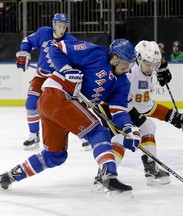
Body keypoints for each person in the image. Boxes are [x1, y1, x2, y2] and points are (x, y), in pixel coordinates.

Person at [0, 38, 141, 199]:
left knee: (55, 156)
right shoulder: (96, 53)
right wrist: (67, 70)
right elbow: (56, 47)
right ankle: (108, 175)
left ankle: (10, 176)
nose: (127, 69)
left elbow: (119, 112)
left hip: (56, 105)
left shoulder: (122, 83)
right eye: (126, 64)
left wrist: (131, 129)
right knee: (98, 132)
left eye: (131, 65)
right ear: (115, 58)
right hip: (57, 94)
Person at [94, 40, 183, 186]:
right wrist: (171, 116)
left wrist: (161, 66)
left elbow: (147, 57)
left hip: (124, 104)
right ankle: (103, 177)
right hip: (110, 106)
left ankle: (150, 167)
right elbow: (145, 107)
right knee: (120, 138)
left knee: (148, 127)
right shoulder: (135, 76)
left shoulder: (139, 64)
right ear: (138, 58)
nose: (150, 68)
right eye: (148, 64)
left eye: (154, 65)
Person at [15, 13, 90, 151]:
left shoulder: (70, 41)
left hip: (58, 79)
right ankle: (33, 135)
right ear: (53, 25)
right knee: (31, 103)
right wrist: (24, 52)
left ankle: (86, 136)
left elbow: (78, 59)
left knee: (70, 108)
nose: (62, 29)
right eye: (59, 26)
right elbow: (27, 40)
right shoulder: (43, 32)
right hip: (41, 75)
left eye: (64, 27)